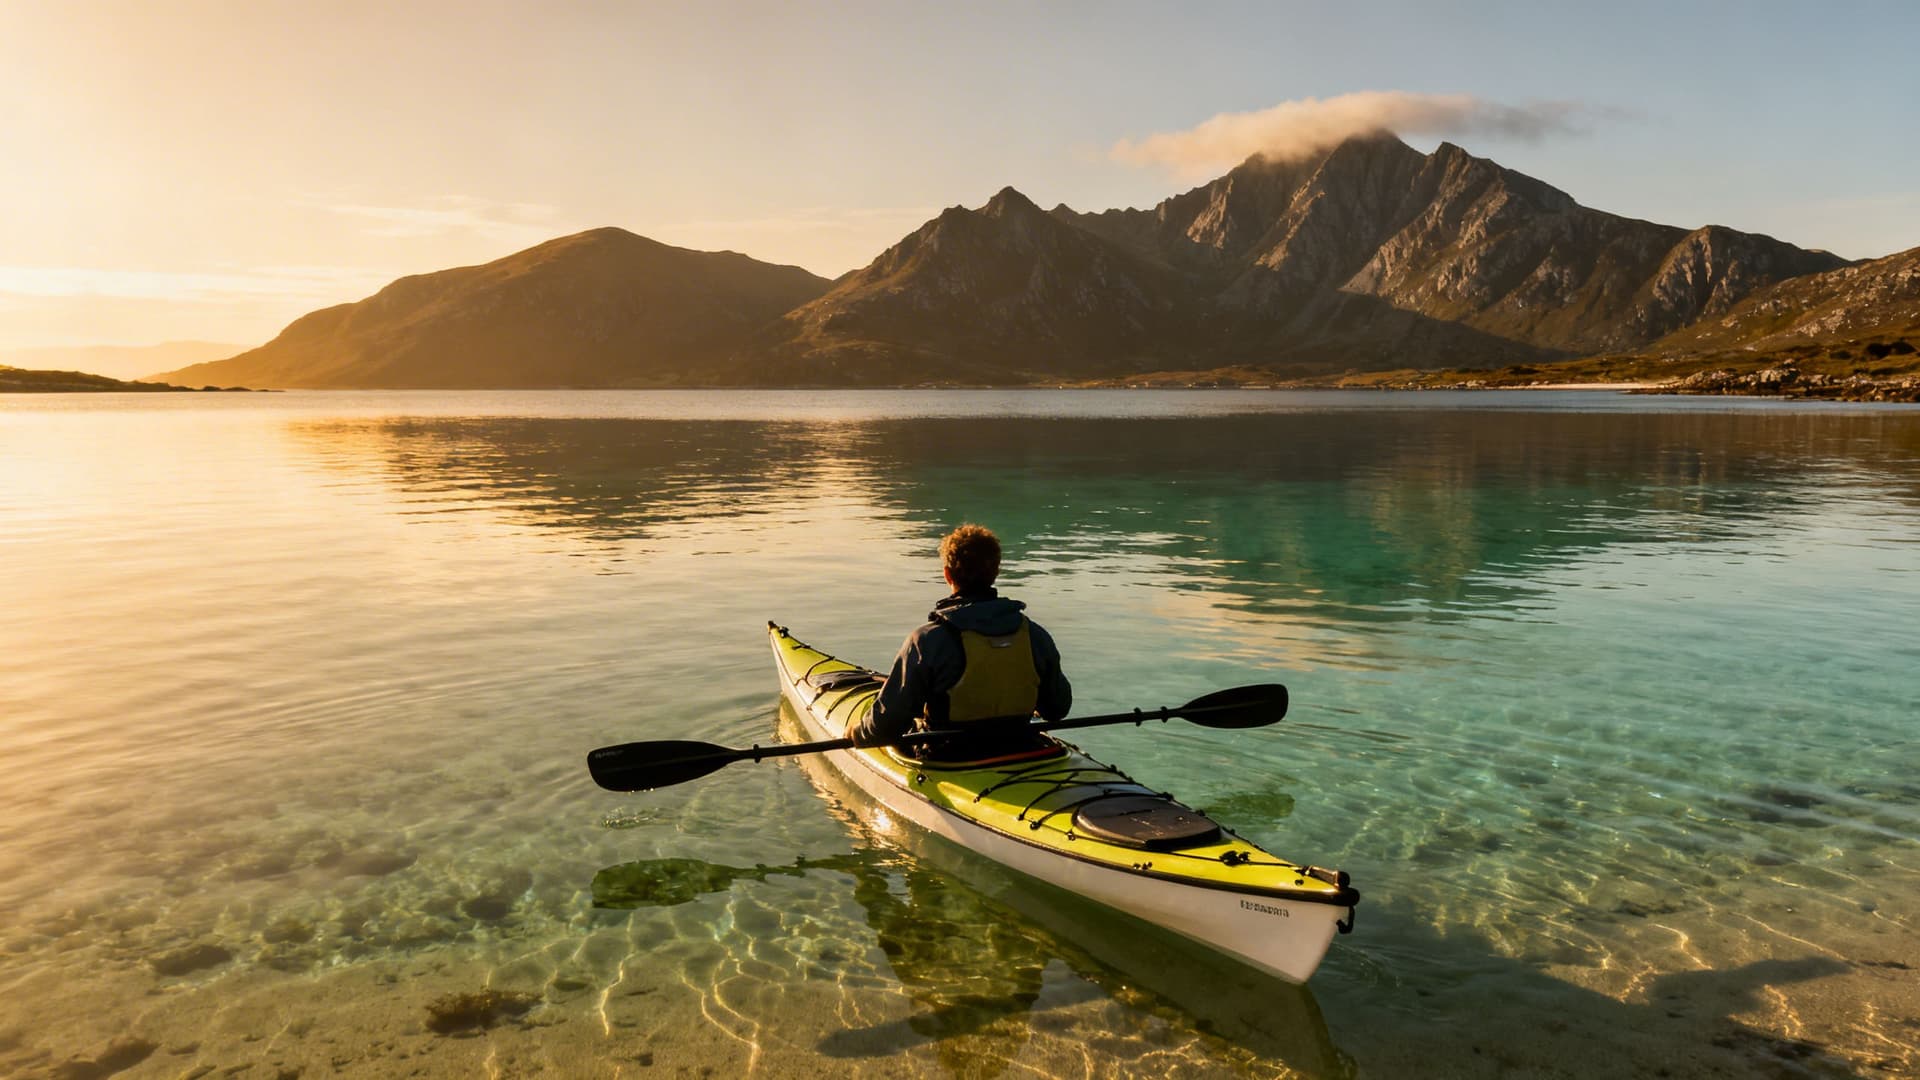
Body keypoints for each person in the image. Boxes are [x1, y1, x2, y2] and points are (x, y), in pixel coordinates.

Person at [849, 524, 1070, 756]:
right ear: (996, 571)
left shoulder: (927, 640)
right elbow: (1058, 709)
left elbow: (885, 727)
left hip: (949, 755)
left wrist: (856, 733)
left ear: (947, 574)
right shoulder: (1035, 634)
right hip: (1020, 746)